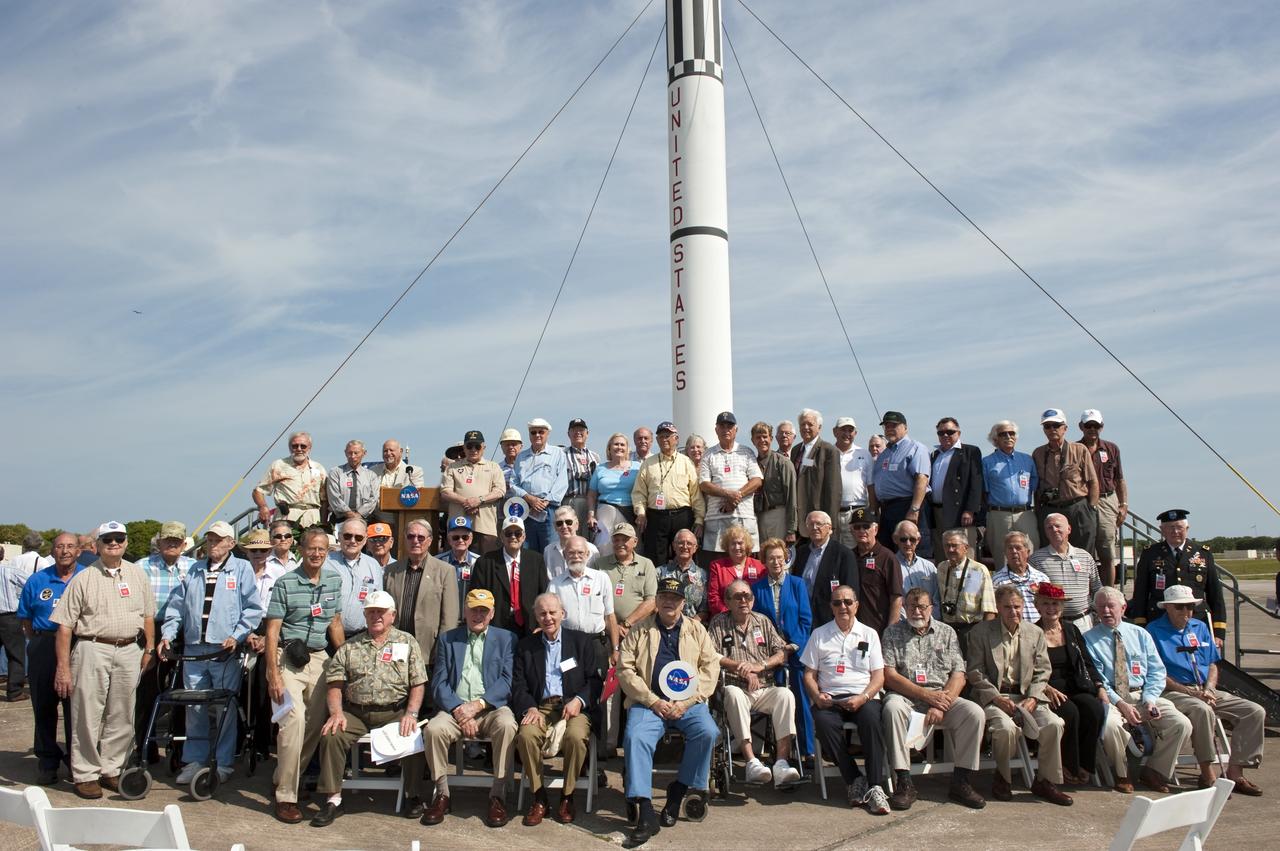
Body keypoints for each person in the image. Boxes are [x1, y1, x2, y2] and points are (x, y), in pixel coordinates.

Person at [52, 521, 157, 800]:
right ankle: (85, 773)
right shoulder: (83, 578)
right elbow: (64, 626)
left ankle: (112, 768)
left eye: (119, 538)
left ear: (125, 542)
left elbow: (148, 615)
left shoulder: (138, 575)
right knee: (87, 713)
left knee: (122, 713)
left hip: (128, 650)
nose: (113, 543)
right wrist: (63, 668)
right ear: (96, 545)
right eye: (107, 539)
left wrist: (149, 648)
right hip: (91, 648)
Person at [307, 590, 428, 824]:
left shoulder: (407, 642)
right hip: (356, 712)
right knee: (332, 734)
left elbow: (418, 682)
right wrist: (336, 713)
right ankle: (333, 799)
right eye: (371, 612)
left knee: (414, 736)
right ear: (365, 615)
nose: (376, 616)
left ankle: (413, 795)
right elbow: (335, 683)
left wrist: (411, 713)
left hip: (394, 712)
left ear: (392, 615)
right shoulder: (350, 646)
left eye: (381, 612)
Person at [618, 577, 721, 845]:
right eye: (663, 597)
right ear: (656, 601)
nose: (668, 602)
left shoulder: (697, 630)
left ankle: (679, 790)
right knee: (635, 737)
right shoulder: (639, 630)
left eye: (674, 598)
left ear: (683, 603)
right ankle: (645, 811)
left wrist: (687, 703)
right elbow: (625, 670)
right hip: (649, 702)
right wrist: (652, 700)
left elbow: (711, 668)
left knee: (708, 732)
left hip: (687, 703)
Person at [160, 524, 264, 785]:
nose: (213, 544)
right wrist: (168, 635)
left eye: (218, 540)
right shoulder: (194, 570)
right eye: (209, 540)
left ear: (230, 543)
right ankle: (194, 760)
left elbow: (252, 609)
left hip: (223, 650)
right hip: (194, 649)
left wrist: (238, 634)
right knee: (194, 707)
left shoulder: (241, 569)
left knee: (223, 708)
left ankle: (223, 762)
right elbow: (176, 607)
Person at [1147, 585, 1265, 794]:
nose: (1186, 612)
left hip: (1205, 689)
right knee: (1202, 710)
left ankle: (1234, 773)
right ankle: (1207, 773)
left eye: (1190, 607)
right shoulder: (1153, 631)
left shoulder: (1199, 627)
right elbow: (1156, 674)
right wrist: (1191, 692)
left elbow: (1212, 663)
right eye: (1180, 607)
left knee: (1254, 711)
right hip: (1174, 691)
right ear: (1167, 607)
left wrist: (1209, 688)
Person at [264, 528, 345, 823]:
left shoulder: (334, 580)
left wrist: (346, 657)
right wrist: (272, 672)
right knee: (293, 720)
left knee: (313, 725)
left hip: (320, 657)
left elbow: (334, 623)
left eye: (322, 550)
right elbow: (272, 630)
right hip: (290, 658)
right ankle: (287, 796)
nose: (317, 554)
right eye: (312, 548)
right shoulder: (285, 583)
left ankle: (284, 775)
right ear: (301, 549)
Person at [880, 587, 987, 810]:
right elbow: (889, 675)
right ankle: (904, 781)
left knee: (974, 713)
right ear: (904, 608)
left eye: (922, 607)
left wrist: (941, 703)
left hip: (943, 696)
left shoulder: (947, 632)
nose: (917, 612)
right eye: (912, 607)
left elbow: (959, 674)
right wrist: (927, 696)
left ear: (931, 608)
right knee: (891, 708)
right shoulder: (892, 633)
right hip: (907, 697)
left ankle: (961, 781)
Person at [965, 585, 1072, 805]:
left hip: (1027, 697)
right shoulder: (980, 632)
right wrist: (996, 698)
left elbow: (1043, 670)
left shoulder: (1035, 633)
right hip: (996, 696)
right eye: (1007, 607)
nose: (1013, 612)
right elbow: (975, 671)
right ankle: (1003, 778)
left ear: (1023, 606)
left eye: (1017, 606)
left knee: (1054, 724)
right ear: (998, 608)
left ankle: (1044, 781)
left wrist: (1033, 697)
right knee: (1005, 729)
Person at [422, 589, 519, 828]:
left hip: (491, 707)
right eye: (474, 610)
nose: (478, 615)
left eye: (483, 611)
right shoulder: (448, 638)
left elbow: (507, 681)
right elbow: (439, 682)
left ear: (492, 613)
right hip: (456, 708)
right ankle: (442, 793)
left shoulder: (506, 638)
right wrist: (459, 709)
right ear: (464, 611)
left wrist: (478, 705)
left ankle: (497, 794)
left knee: (508, 725)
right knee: (433, 730)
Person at [1084, 586, 1192, 793]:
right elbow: (1097, 678)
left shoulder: (1140, 634)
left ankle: (1155, 771)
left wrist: (1150, 699)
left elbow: (1157, 671)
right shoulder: (1089, 639)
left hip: (1143, 693)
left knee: (1181, 724)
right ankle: (1122, 772)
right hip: (1112, 697)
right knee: (1111, 727)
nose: (1106, 611)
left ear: (1123, 608)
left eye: (1111, 606)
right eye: (1101, 607)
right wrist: (1122, 704)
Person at [512, 593, 602, 825]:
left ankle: (567, 796)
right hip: (540, 707)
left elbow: (594, 680)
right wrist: (529, 708)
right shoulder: (526, 646)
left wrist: (579, 700)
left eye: (553, 612)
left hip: (572, 706)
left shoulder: (581, 642)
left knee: (576, 735)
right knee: (526, 735)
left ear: (563, 613)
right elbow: (518, 684)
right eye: (542, 613)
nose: (548, 618)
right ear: (536, 617)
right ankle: (539, 797)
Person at [801, 585, 890, 814]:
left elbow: (879, 676)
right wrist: (816, 695)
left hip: (863, 695)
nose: (843, 607)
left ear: (857, 605)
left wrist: (864, 697)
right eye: (837, 602)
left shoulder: (869, 633)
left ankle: (876, 785)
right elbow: (809, 674)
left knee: (871, 719)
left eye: (848, 602)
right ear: (831, 607)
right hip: (831, 697)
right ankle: (854, 778)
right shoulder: (819, 634)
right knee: (823, 722)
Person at [709, 579, 801, 787]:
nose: (744, 600)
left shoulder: (763, 621)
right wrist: (739, 666)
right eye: (738, 597)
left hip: (764, 687)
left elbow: (780, 651)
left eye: (747, 596)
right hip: (735, 687)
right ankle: (751, 761)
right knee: (732, 693)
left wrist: (760, 666)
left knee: (786, 695)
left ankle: (781, 763)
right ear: (727, 601)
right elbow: (711, 654)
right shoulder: (718, 623)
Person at [17, 533, 84, 785]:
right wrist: (40, 641)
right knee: (44, 705)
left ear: (79, 551)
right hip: (44, 642)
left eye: (70, 546)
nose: (65, 551)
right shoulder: (37, 580)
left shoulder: (87, 577)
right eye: (59, 546)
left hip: (79, 644)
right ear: (52, 551)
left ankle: (76, 761)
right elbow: (25, 618)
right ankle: (47, 760)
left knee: (76, 708)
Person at [1033, 582, 1107, 786]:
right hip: (1048, 688)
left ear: (1062, 607)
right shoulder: (1032, 631)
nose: (1051, 608)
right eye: (1046, 603)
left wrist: (1099, 686)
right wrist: (1045, 687)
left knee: (1094, 709)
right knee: (1070, 711)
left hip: (1076, 685)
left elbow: (1087, 661)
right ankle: (1067, 765)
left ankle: (1086, 764)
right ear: (1037, 606)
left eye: (1056, 604)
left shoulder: (1071, 629)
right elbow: (1025, 669)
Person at [133, 520, 195, 759]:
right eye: (167, 540)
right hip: (151, 630)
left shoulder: (193, 567)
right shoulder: (142, 567)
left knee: (182, 692)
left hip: (183, 632)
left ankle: (179, 749)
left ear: (183, 543)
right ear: (159, 542)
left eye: (176, 541)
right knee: (147, 691)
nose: (172, 544)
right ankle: (144, 747)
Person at [597, 521, 658, 755]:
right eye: (616, 538)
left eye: (625, 539)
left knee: (639, 687)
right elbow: (595, 600)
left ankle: (639, 744)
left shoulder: (646, 564)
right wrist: (612, 626)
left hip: (639, 636)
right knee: (610, 690)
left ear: (635, 542)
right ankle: (609, 744)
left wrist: (626, 623)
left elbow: (652, 600)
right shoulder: (600, 565)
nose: (620, 543)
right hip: (606, 635)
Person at [751, 537, 814, 757]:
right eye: (771, 558)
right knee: (777, 703)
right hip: (769, 654)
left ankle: (806, 751)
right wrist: (774, 651)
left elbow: (805, 620)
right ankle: (779, 753)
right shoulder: (756, 588)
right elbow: (755, 621)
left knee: (800, 700)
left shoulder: (797, 584)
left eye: (780, 557)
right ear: (764, 562)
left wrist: (791, 647)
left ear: (786, 559)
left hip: (796, 652)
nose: (776, 562)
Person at [1130, 508, 1227, 645]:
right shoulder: (1150, 554)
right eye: (1170, 528)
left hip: (1196, 622)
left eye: (1179, 527)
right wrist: (1141, 625)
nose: (1175, 531)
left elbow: (1215, 595)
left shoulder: (1203, 554)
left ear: (1187, 528)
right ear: (1162, 530)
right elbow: (1140, 593)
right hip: (1160, 622)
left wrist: (1218, 631)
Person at [384, 519, 460, 670]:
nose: (415, 541)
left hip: (429, 651)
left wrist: (442, 651)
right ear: (405, 539)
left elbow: (450, 619)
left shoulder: (445, 571)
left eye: (421, 537)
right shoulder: (391, 570)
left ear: (430, 540)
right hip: (397, 648)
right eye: (411, 536)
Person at [633, 421, 705, 564]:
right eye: (661, 437)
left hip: (682, 515)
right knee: (654, 558)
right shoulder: (648, 463)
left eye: (668, 436)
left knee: (684, 556)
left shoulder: (686, 462)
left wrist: (699, 519)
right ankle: (656, 586)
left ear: (676, 439)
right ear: (657, 440)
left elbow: (695, 494)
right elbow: (639, 492)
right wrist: (641, 512)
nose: (664, 439)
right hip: (656, 517)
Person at [548, 535, 618, 678]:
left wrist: (615, 649)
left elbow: (610, 616)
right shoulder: (555, 584)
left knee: (598, 686)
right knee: (570, 684)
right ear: (564, 555)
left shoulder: (602, 579)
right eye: (571, 553)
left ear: (587, 554)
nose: (576, 557)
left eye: (580, 552)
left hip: (596, 644)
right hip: (569, 646)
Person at [1032, 409, 1098, 553]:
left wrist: (1091, 509)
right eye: (1047, 426)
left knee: (1083, 553)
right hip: (1050, 508)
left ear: (1065, 428)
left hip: (1077, 507)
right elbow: (1036, 487)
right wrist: (1038, 511)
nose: (1052, 429)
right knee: (1050, 552)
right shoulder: (1038, 453)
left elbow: (1092, 481)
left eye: (1056, 425)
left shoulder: (1079, 449)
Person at [866, 411, 932, 555]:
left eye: (894, 425)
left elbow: (921, 479)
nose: (889, 428)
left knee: (911, 551)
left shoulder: (916, 448)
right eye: (886, 426)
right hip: (886, 510)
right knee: (887, 553)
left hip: (907, 506)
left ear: (905, 427)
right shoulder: (884, 454)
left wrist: (914, 509)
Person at [472, 517, 549, 638]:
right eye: (508, 533)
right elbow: (476, 596)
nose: (513, 537)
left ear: (523, 537)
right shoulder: (485, 562)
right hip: (495, 626)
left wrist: (541, 623)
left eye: (517, 533)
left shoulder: (536, 560)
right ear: (501, 537)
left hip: (530, 627)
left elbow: (543, 594)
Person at [698, 411, 763, 554]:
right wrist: (727, 494)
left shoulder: (746, 452)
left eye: (729, 426)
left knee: (745, 565)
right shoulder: (708, 454)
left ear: (736, 430)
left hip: (743, 518)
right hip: (717, 519)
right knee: (718, 567)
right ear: (716, 430)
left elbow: (757, 480)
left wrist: (736, 496)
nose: (726, 429)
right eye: (722, 426)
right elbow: (704, 483)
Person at [1077, 410, 1127, 586]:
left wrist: (1123, 505)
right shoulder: (1074, 449)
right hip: (1083, 502)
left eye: (1096, 425)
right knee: (1084, 550)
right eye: (1088, 425)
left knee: (1107, 552)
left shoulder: (1112, 448)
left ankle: (1109, 592)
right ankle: (1086, 593)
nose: (1092, 429)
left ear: (1102, 427)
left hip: (1107, 500)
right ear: (1081, 427)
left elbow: (1119, 479)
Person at [1029, 513, 1101, 632]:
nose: (1054, 530)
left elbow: (1097, 587)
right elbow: (1032, 591)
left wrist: (1093, 611)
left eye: (1058, 526)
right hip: (1052, 623)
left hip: (1083, 622)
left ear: (1069, 529)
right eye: (1049, 527)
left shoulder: (1085, 556)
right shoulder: (1036, 558)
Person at [440, 430, 507, 554]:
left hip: (485, 527)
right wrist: (467, 502)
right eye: (469, 446)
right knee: (454, 566)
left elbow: (500, 491)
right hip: (457, 527)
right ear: (464, 448)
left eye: (477, 446)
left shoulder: (494, 467)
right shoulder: (452, 467)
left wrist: (479, 500)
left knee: (485, 566)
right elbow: (445, 492)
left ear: (484, 447)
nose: (473, 449)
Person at [1, 530, 49, 701]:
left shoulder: (14, 561)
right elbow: (34, 584)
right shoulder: (40, 562)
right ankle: (15, 689)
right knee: (17, 653)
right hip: (13, 612)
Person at [982, 420, 1040, 553]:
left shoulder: (1027, 460)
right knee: (1002, 556)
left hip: (1025, 514)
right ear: (995, 439)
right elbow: (984, 492)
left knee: (1031, 553)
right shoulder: (987, 462)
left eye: (1011, 433)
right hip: (999, 515)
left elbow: (1034, 487)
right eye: (1003, 434)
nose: (1008, 437)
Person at [929, 417, 983, 560]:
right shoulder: (934, 455)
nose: (945, 435)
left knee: (964, 554)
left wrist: (970, 509)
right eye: (941, 433)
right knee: (942, 553)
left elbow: (976, 482)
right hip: (937, 511)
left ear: (958, 433)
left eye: (950, 432)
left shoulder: (970, 451)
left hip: (959, 512)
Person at [511, 418, 568, 553]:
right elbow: (513, 483)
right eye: (533, 432)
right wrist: (529, 498)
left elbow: (562, 482)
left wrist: (545, 501)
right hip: (526, 509)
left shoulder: (557, 453)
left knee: (551, 550)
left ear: (547, 433)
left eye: (541, 432)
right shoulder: (521, 456)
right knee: (527, 550)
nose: (537, 435)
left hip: (549, 509)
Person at [791, 510, 857, 627]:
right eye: (811, 524)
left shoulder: (843, 554)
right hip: (801, 616)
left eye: (819, 524)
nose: (815, 527)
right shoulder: (801, 552)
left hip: (829, 618)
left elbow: (851, 590)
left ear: (829, 528)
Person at [846, 507, 903, 634]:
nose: (861, 531)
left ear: (875, 529)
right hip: (851, 629)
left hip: (878, 628)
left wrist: (890, 631)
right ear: (851, 531)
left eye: (866, 526)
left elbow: (896, 597)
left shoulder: (887, 557)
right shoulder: (848, 557)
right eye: (857, 527)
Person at [327, 518, 385, 642]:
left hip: (362, 637)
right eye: (348, 536)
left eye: (358, 537)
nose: (352, 541)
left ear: (365, 540)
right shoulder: (325, 562)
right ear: (339, 536)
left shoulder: (373, 565)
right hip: (328, 637)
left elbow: (377, 601)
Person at [254, 431, 328, 527]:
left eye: (303, 446)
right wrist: (263, 507)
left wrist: (323, 523)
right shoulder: (278, 465)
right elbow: (258, 491)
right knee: (284, 541)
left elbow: (325, 500)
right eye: (295, 446)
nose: (299, 449)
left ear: (310, 447)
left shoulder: (319, 468)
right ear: (289, 447)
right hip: (287, 515)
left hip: (312, 515)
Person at [936, 530, 996, 645]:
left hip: (971, 629)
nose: (950, 550)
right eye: (947, 546)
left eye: (954, 545)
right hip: (947, 629)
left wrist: (986, 637)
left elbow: (989, 608)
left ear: (966, 547)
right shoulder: (942, 568)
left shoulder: (977, 570)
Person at [791, 409, 841, 541]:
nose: (806, 427)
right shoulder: (795, 450)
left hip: (818, 520)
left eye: (810, 424)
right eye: (802, 424)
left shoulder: (829, 450)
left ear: (819, 427)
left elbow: (833, 490)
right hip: (799, 522)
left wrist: (830, 524)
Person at [586, 432, 641, 548]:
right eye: (616, 444)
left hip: (631, 512)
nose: (619, 447)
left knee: (631, 546)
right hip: (605, 511)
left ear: (627, 449)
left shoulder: (637, 467)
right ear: (609, 448)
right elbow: (592, 494)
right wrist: (591, 515)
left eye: (622, 445)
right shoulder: (600, 468)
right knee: (604, 546)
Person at [369, 438, 426, 547]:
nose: (388, 453)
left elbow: (414, 495)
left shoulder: (414, 471)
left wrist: (385, 492)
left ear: (401, 451)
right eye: (385, 451)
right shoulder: (372, 472)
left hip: (403, 521)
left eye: (391, 450)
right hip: (378, 520)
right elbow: (369, 496)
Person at [751, 421, 798, 546]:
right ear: (752, 440)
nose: (762, 440)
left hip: (778, 515)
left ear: (771, 438)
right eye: (758, 437)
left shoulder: (783, 463)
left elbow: (792, 497)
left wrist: (791, 529)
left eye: (765, 437)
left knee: (778, 556)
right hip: (759, 516)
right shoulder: (751, 464)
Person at [831, 416, 872, 549]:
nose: (847, 434)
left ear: (855, 433)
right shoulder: (828, 452)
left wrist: (873, 512)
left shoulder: (864, 454)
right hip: (833, 512)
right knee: (833, 551)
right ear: (835, 432)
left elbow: (871, 485)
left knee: (856, 551)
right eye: (843, 430)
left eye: (850, 430)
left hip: (857, 511)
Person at [992, 531, 1050, 624]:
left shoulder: (1041, 578)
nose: (1014, 551)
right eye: (1010, 548)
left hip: (1039, 629)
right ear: (1005, 553)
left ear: (1027, 552)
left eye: (1018, 548)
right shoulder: (997, 580)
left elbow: (1049, 606)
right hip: (1011, 631)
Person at [707, 525, 766, 616]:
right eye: (733, 543)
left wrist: (750, 616)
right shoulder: (717, 566)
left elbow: (763, 596)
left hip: (754, 617)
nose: (737, 547)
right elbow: (713, 598)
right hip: (725, 618)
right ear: (727, 546)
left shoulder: (759, 566)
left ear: (747, 545)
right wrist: (730, 615)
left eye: (740, 543)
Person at [658, 529, 709, 622]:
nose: (685, 546)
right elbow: (654, 603)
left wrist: (690, 626)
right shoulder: (659, 572)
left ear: (695, 548)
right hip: (664, 626)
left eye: (689, 543)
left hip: (693, 628)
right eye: (681, 543)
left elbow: (704, 610)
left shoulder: (703, 575)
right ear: (674, 546)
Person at [326, 439, 380, 525]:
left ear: (364, 453)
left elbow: (373, 499)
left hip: (364, 520)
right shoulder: (335, 472)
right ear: (345, 453)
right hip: (340, 519)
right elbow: (334, 497)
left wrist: (359, 514)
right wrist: (349, 514)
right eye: (349, 453)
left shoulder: (371, 476)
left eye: (356, 453)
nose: (352, 456)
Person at [894, 521, 939, 621]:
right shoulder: (890, 565)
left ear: (918, 540)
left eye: (912, 539)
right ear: (895, 539)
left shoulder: (929, 567)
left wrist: (928, 619)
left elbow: (937, 598)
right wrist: (909, 620)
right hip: (902, 624)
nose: (908, 543)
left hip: (929, 622)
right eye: (903, 539)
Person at [543, 505, 599, 581]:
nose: (564, 526)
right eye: (559, 523)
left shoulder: (592, 549)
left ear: (577, 524)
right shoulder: (548, 551)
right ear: (555, 527)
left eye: (568, 522)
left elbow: (597, 578)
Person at [563, 418, 600, 532]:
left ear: (587, 433)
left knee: (588, 536)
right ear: (568, 434)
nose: (578, 432)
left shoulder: (595, 456)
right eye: (574, 430)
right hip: (569, 501)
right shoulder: (561, 454)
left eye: (581, 429)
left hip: (590, 503)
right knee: (569, 535)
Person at [441, 517, 480, 615]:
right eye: (455, 537)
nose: (460, 540)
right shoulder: (438, 561)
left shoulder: (480, 562)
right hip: (444, 617)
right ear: (449, 540)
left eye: (465, 537)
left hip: (471, 618)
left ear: (471, 539)